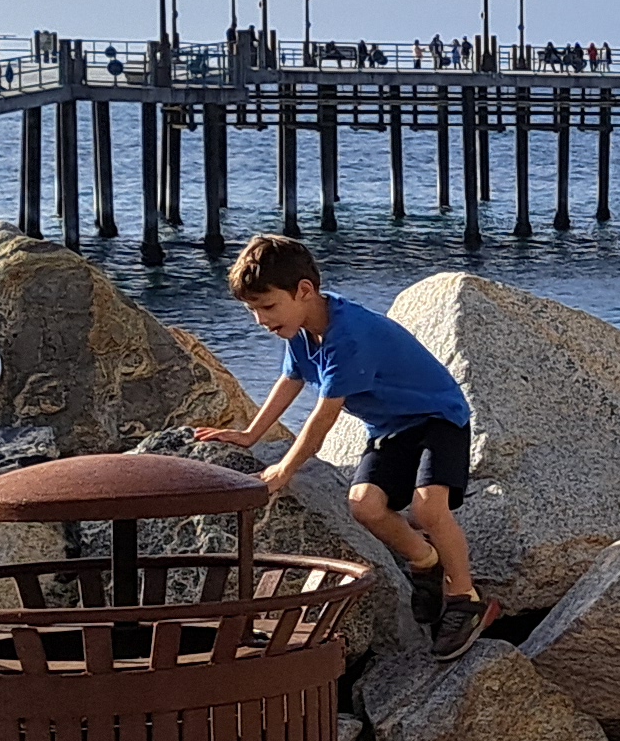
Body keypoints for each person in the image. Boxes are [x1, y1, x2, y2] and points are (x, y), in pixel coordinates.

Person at [199, 233, 491, 655]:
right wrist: (250, 434)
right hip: (389, 428)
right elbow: (291, 380)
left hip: (437, 418)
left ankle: (465, 598)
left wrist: (285, 469)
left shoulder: (348, 336)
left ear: (304, 290)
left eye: (268, 307)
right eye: (252, 310)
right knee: (364, 505)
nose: (261, 320)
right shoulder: (301, 330)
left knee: (428, 509)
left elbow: (323, 418)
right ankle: (425, 560)